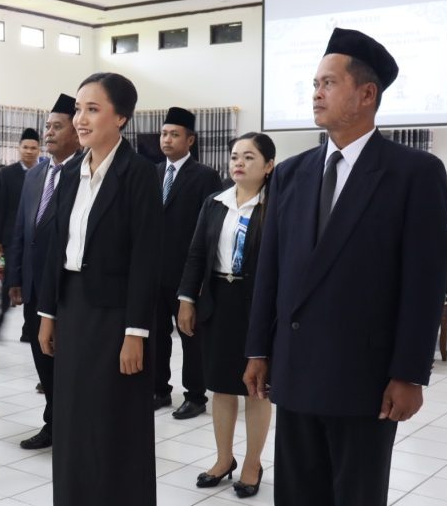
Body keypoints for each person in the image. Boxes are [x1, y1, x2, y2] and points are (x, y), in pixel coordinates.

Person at [244, 28, 447, 506]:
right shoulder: (292, 172)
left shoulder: (413, 173)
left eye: (329, 83)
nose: (316, 93)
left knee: (356, 494)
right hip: (295, 369)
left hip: (365, 378)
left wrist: (409, 374)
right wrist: (257, 349)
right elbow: (270, 270)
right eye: (315, 84)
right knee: (296, 493)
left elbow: (424, 283)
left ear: (366, 94)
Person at [37, 73, 161, 505]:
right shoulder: (71, 171)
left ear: (121, 117)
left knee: (113, 421)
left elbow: (146, 258)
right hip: (72, 309)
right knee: (72, 419)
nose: (80, 119)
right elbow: (57, 247)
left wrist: (136, 332)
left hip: (115, 317)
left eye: (93, 109)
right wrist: (48, 314)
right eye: (78, 109)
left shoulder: (139, 174)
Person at [177, 133, 275, 497]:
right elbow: (196, 254)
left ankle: (252, 463)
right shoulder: (214, 203)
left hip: (258, 304)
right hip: (218, 301)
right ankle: (223, 459)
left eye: (249, 157)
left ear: (268, 166)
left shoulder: (276, 205)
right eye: (235, 156)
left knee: (256, 388)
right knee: (220, 386)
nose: (239, 163)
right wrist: (187, 299)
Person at [5, 93, 82, 450]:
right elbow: (22, 230)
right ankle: (53, 422)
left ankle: (72, 426)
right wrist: (15, 277)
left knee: (69, 360)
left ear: (76, 131)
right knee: (42, 356)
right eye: (47, 126)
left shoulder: (84, 173)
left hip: (68, 287)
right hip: (35, 285)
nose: (48, 133)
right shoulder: (36, 174)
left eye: (57, 127)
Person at [152, 107, 223, 419]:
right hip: (155, 273)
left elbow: (211, 229)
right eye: (164, 134)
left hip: (187, 274)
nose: (167, 139)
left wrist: (201, 278)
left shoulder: (205, 176)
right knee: (156, 334)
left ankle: (195, 395)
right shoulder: (153, 173)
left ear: (190, 140)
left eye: (174, 134)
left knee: (191, 336)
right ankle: (159, 389)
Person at [0, 127, 40, 339]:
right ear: (18, 148)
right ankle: (1, 319)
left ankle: (27, 328)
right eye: (25, 147)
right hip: (11, 238)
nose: (29, 151)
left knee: (33, 281)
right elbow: (0, 207)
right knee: (10, 279)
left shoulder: (45, 172)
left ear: (39, 150)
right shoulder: (7, 173)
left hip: (37, 237)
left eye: (33, 148)